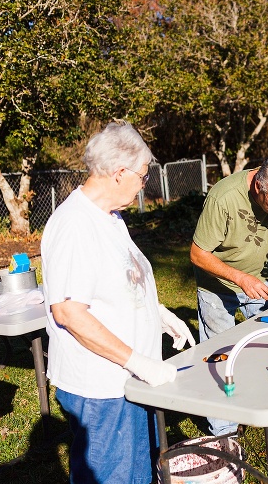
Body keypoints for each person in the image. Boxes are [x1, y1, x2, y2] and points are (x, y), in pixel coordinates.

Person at [42, 120, 196, 483]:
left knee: (139, 473)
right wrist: (138, 361)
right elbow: (68, 312)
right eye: (143, 176)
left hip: (127, 381)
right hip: (103, 389)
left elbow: (118, 278)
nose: (145, 184)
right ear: (119, 172)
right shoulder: (75, 225)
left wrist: (155, 313)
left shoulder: (110, 218)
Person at [190, 154, 268, 435]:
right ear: (259, 188)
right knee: (220, 354)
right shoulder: (223, 197)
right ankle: (224, 429)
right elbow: (198, 254)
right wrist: (238, 277)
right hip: (218, 284)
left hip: (259, 279)